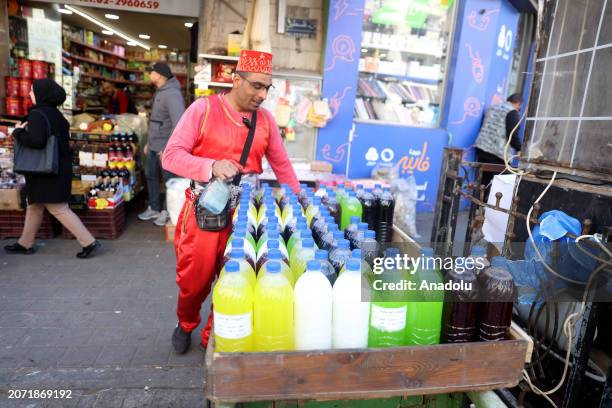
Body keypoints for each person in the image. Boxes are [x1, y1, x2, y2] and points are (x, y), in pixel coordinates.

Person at [162, 50, 299, 354]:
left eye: (267, 87)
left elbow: (282, 165)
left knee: (236, 277)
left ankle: (215, 333)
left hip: (245, 214)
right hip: (205, 208)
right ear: (236, 80)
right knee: (194, 279)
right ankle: (186, 322)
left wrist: (299, 200)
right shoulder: (204, 110)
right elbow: (171, 156)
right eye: (256, 86)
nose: (262, 95)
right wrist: (210, 165)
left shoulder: (264, 121)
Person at [4, 79, 100, 258]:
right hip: (54, 167)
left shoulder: (37, 114)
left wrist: (17, 133)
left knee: (58, 208)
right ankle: (25, 243)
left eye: (32, 91)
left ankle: (89, 242)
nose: (29, 94)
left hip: (45, 171)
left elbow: (37, 142)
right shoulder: (56, 115)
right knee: (35, 205)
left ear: (41, 95)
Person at [137, 63, 185, 226]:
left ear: (158, 75)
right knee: (150, 176)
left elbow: (178, 123)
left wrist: (168, 148)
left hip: (165, 147)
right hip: (154, 145)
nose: (149, 75)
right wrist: (149, 143)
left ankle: (166, 211)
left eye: (151, 72)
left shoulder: (172, 94)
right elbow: (158, 121)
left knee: (169, 181)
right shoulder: (161, 91)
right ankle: (154, 208)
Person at [474, 93, 523, 188]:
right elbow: (512, 136)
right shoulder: (512, 112)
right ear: (518, 103)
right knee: (501, 185)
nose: (518, 110)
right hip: (497, 153)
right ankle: (490, 202)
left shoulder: (493, 107)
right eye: (519, 107)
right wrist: (519, 149)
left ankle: (479, 201)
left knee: (484, 181)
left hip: (481, 148)